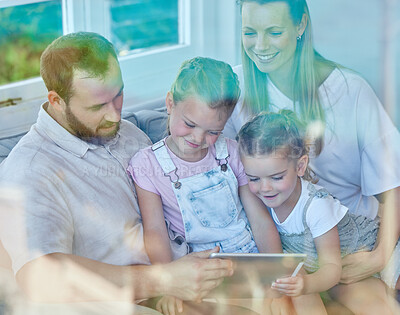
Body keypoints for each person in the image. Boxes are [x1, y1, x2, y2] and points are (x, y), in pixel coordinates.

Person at [0, 32, 258, 315]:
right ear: (57, 100)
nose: (114, 115)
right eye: (98, 106)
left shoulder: (127, 133)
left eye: (118, 94)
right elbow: (38, 276)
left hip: (193, 273)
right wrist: (163, 280)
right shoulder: (29, 171)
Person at [224, 0, 400, 289]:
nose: (260, 45)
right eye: (250, 32)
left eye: (274, 31)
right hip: (291, 249)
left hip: (356, 240)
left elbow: (393, 189)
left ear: (300, 25)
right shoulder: (235, 89)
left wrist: (379, 257)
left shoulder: (349, 90)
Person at [127, 56, 282, 315]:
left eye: (213, 131)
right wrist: (168, 284)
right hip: (200, 270)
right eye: (189, 124)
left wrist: (276, 271)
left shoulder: (231, 153)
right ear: (169, 103)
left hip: (250, 257)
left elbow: (259, 219)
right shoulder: (147, 165)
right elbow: (155, 232)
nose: (198, 138)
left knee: (291, 301)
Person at [236, 110, 400, 314]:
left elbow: (332, 267)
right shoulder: (262, 205)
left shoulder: (316, 206)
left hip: (373, 250)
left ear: (300, 166)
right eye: (254, 179)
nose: (265, 188)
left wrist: (306, 284)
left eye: (276, 177)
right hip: (347, 274)